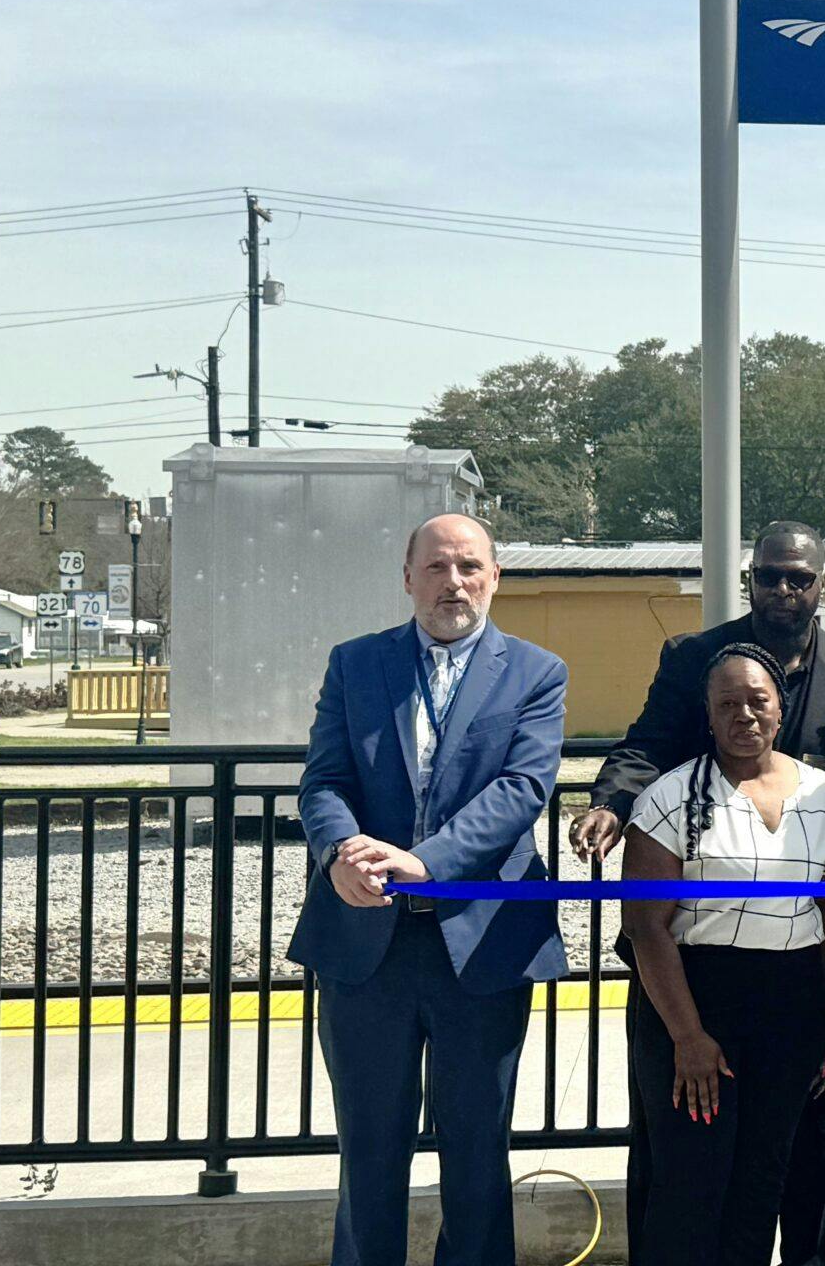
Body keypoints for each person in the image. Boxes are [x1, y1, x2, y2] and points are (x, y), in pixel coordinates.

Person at [573, 521, 825, 1266]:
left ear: (822, 585)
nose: (785, 589)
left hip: (803, 968)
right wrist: (612, 805)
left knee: (803, 1162)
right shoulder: (694, 659)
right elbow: (644, 749)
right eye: (771, 576)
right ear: (751, 579)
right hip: (697, 960)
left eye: (801, 578)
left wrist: (804, 851)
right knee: (686, 1171)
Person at [288, 513, 569, 1266]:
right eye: (438, 567)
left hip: (478, 944)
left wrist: (428, 860)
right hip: (365, 942)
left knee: (477, 1151)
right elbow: (325, 779)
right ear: (407, 577)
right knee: (369, 1149)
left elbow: (522, 789)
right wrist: (342, 851)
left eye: (470, 567)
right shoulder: (356, 664)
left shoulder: (537, 672)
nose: (455, 583)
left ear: (495, 577)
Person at [621, 643, 825, 1266]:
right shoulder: (669, 798)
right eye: (728, 704)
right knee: (693, 1183)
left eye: (758, 701)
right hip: (698, 1002)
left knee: (762, 1179)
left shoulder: (822, 795)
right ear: (707, 714)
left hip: (791, 1004)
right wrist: (689, 1037)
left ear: (781, 709)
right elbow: (647, 927)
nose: (744, 715)